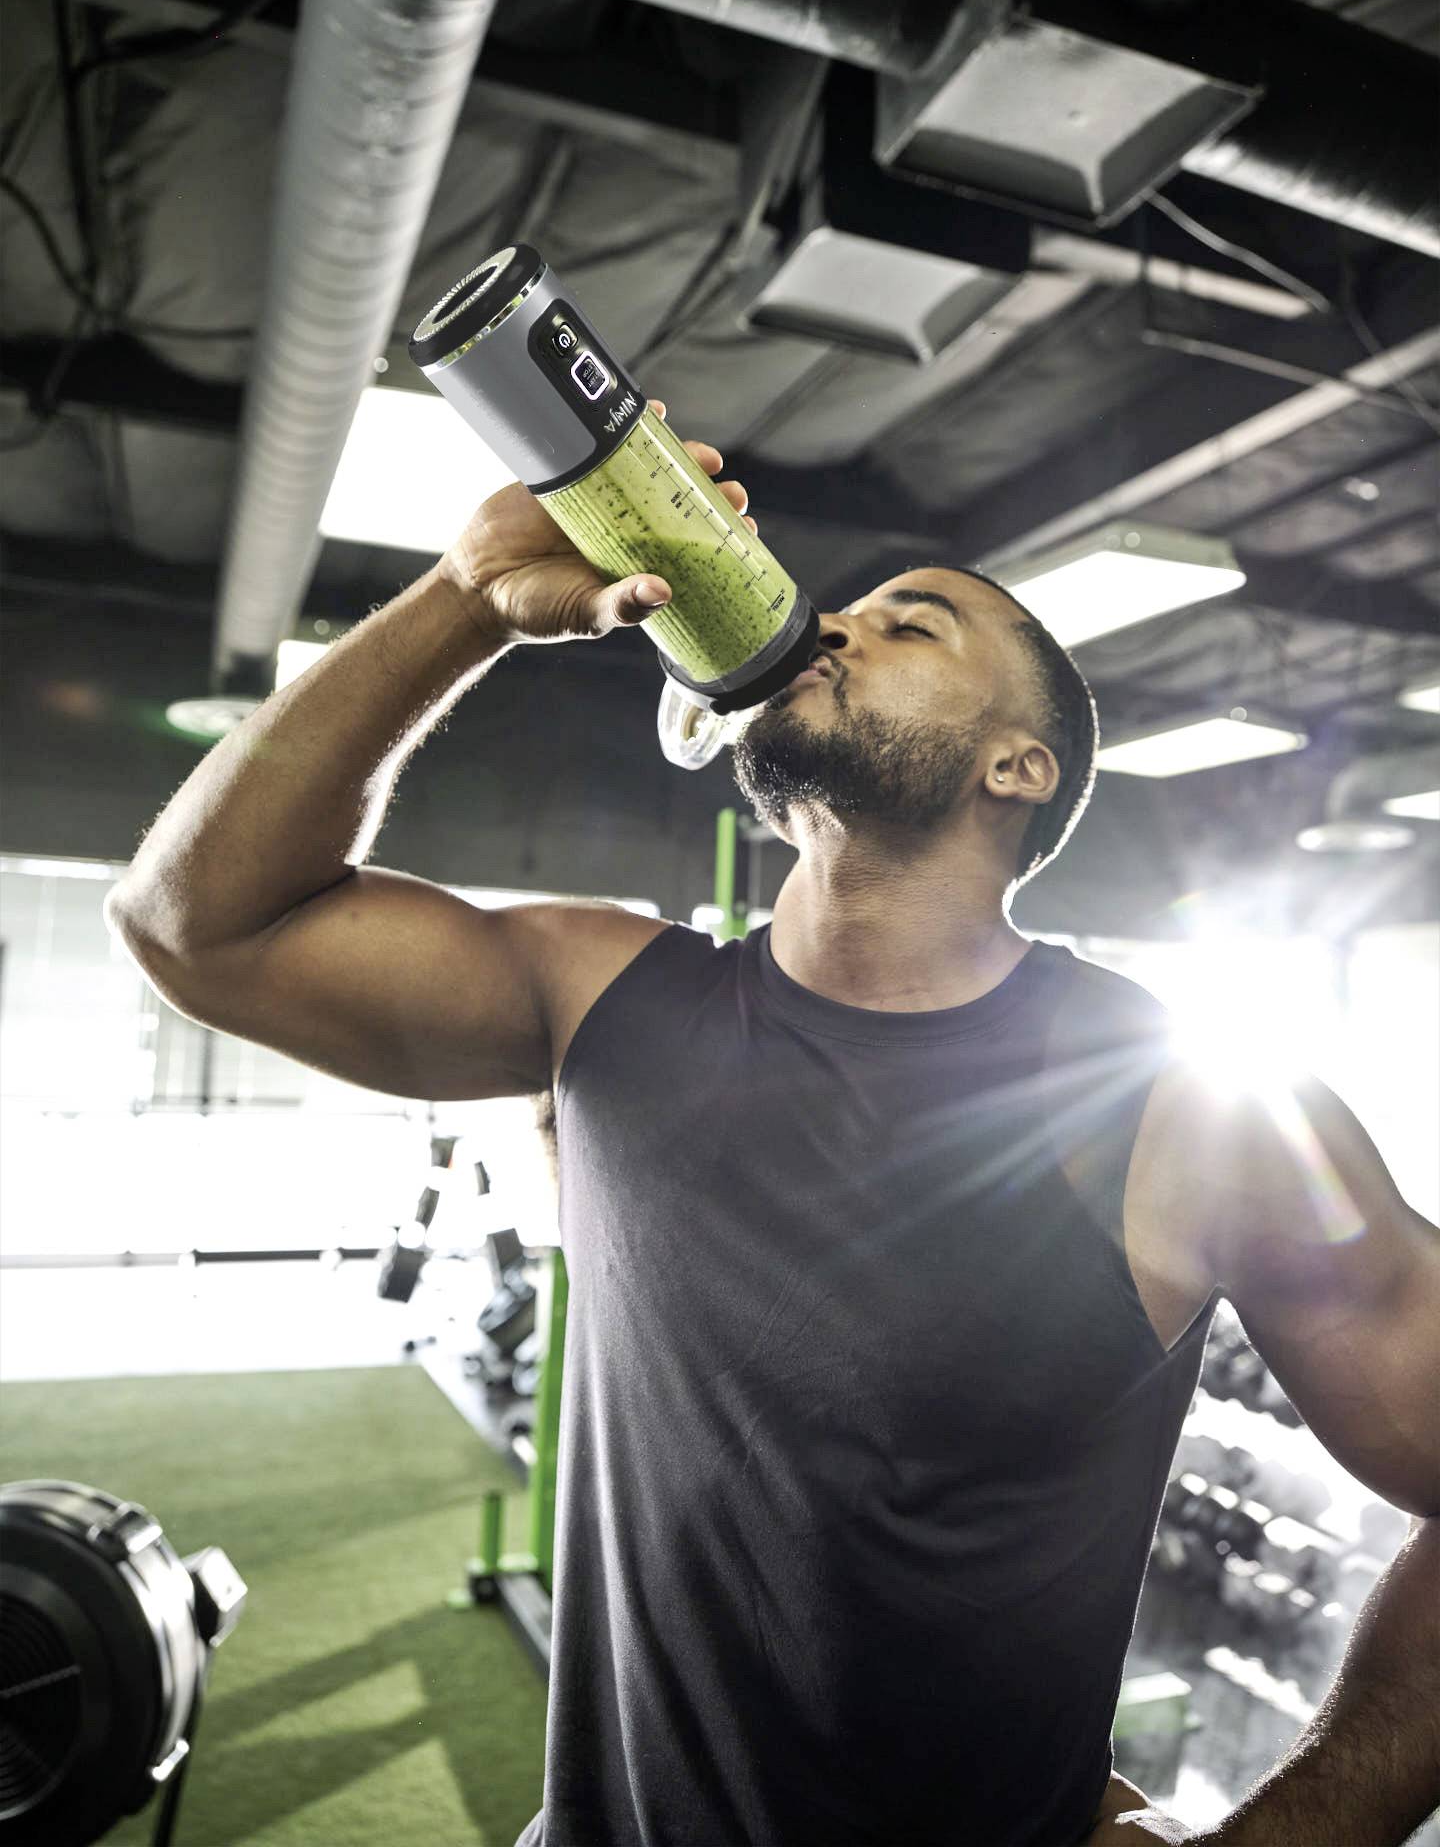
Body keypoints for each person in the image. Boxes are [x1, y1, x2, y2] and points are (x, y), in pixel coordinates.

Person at [107, 402, 1440, 1847]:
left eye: (908, 626)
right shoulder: (599, 997)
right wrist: (461, 601)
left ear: (1016, 768)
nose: (832, 630)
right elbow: (196, 924)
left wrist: (1291, 1836)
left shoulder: (1193, 1111)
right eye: (845, 611)